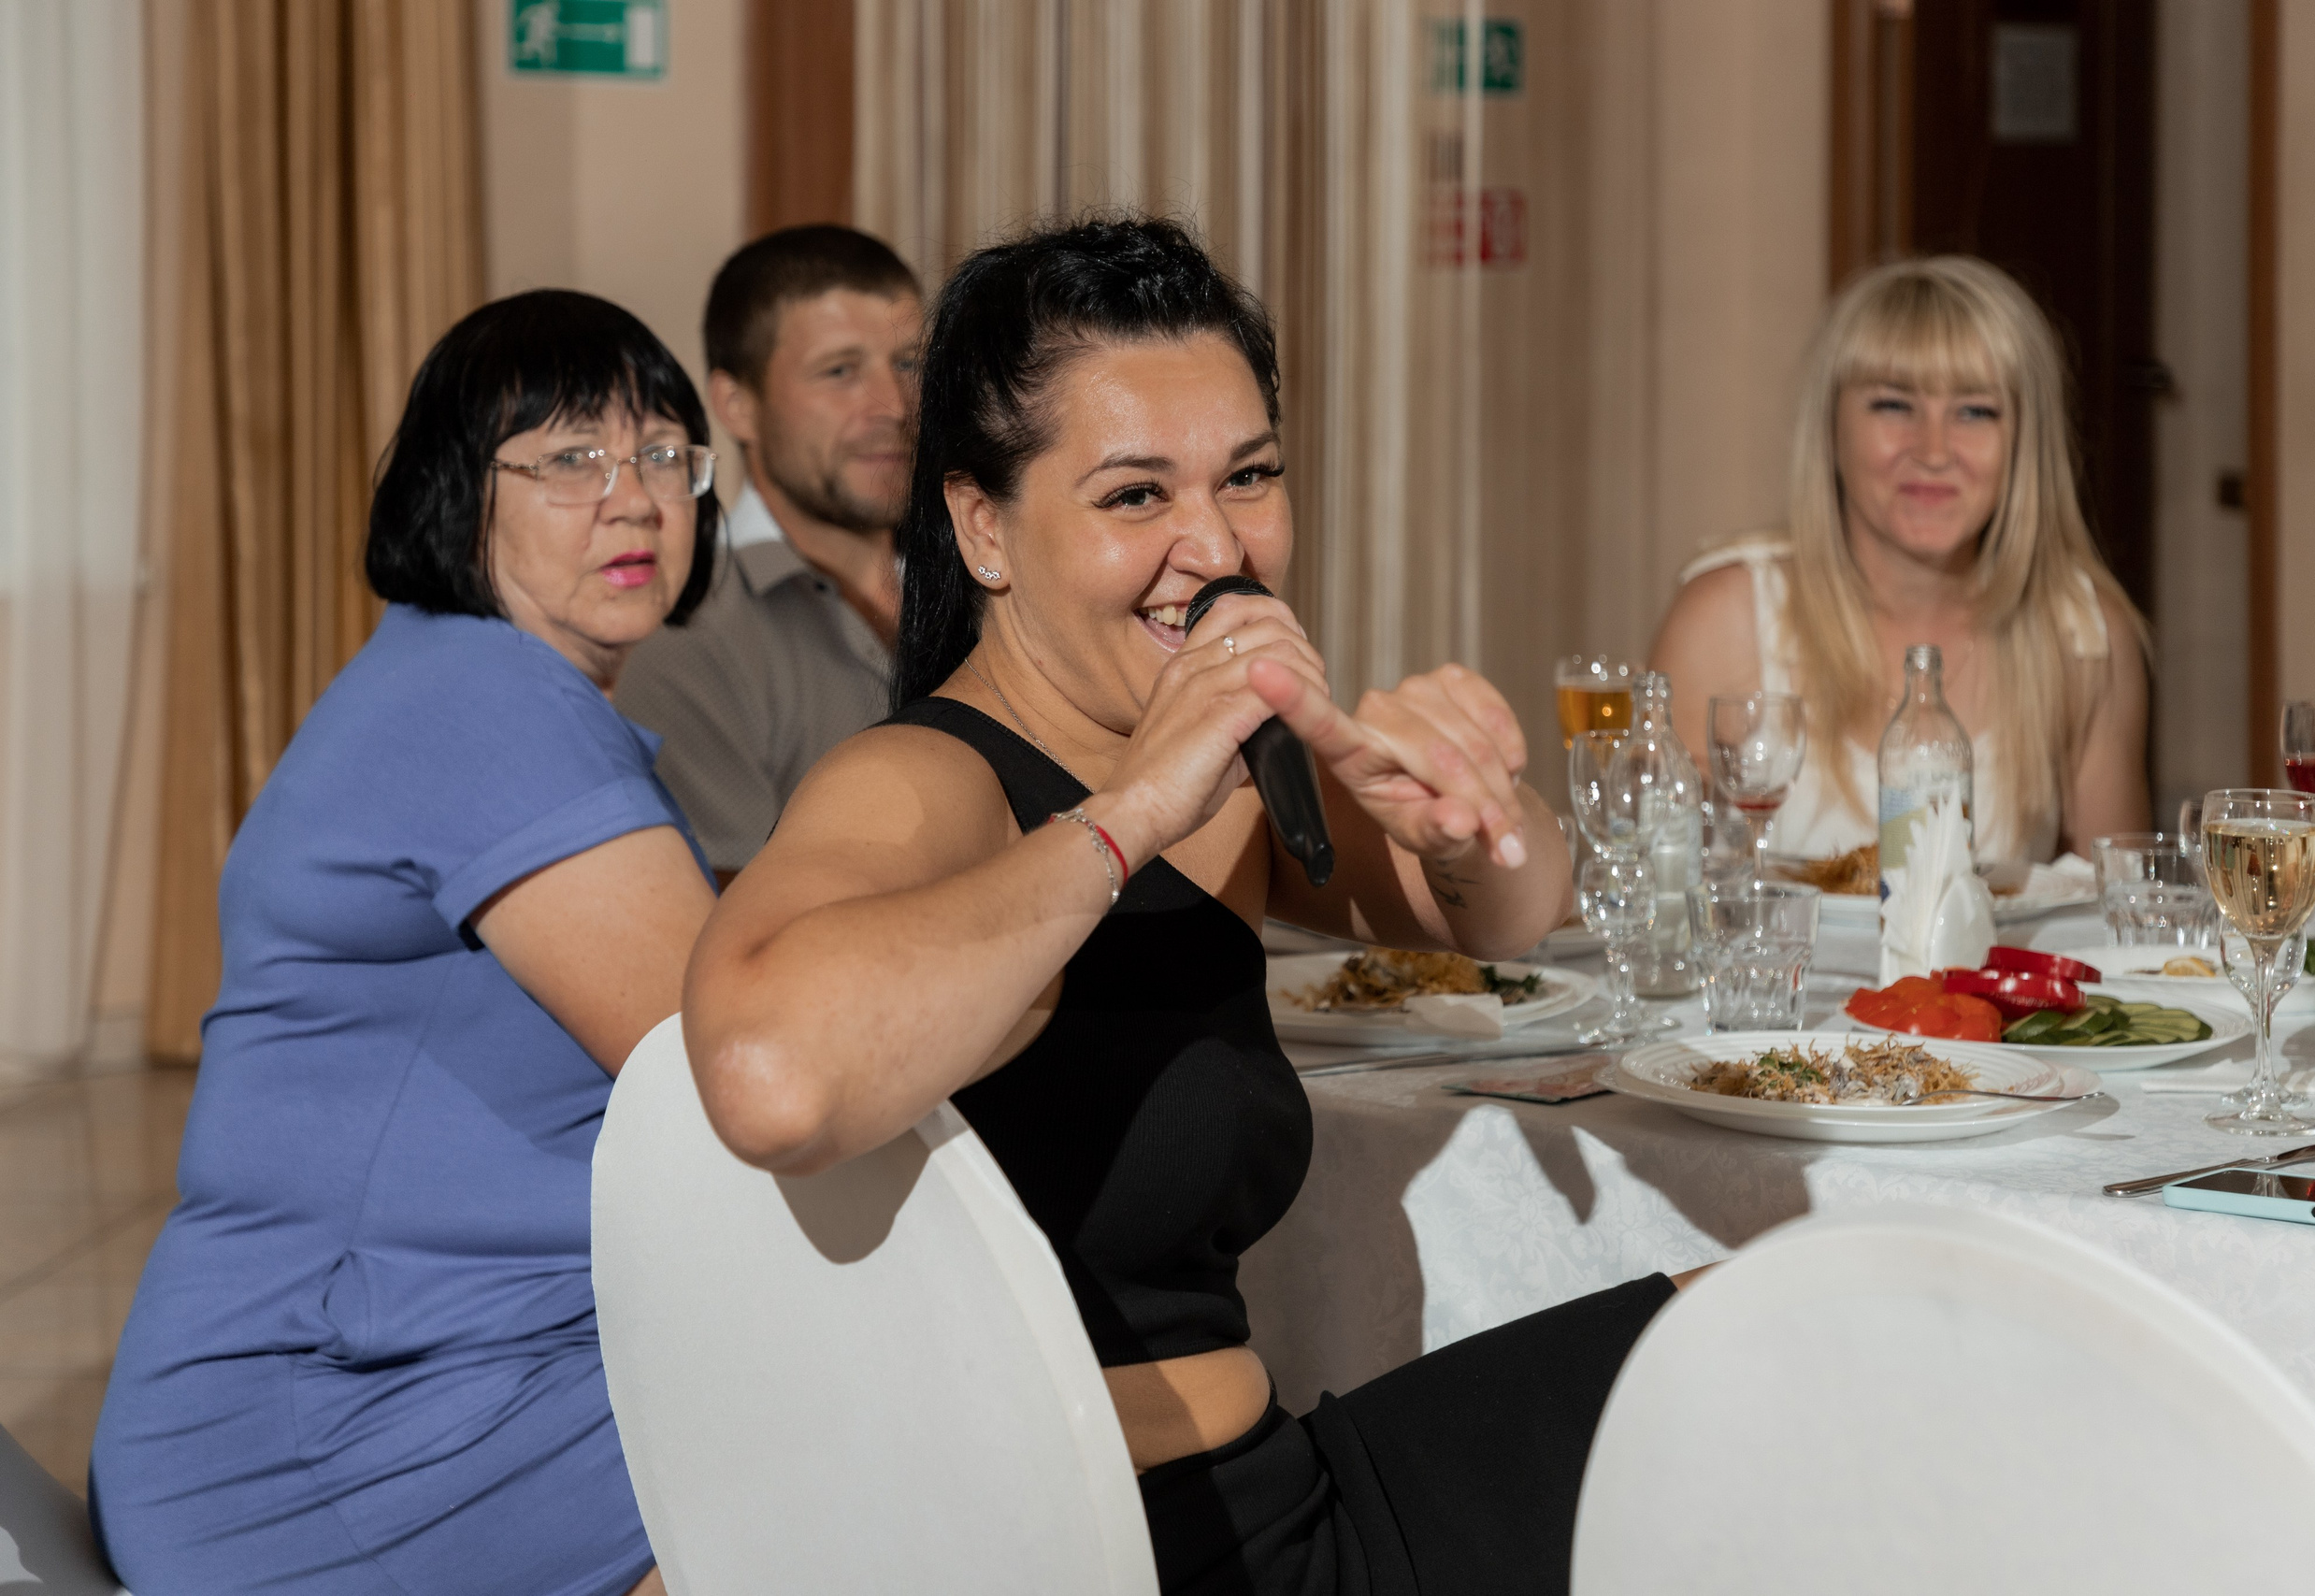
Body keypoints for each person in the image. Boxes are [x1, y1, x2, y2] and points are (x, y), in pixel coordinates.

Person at [680, 216, 1686, 1596]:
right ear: (983, 526)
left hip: (1262, 1502)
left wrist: (1471, 808)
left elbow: (1507, 915)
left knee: (1783, 1330)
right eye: (1135, 496)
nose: (1214, 545)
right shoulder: (928, 777)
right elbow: (768, 1079)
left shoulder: (1226, 769)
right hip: (1114, 1552)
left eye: (1248, 477)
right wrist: (1132, 810)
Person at [91, 291, 722, 1596]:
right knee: (866, 1434)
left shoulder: (473, 682)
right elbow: (734, 1063)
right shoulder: (487, 700)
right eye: (572, 458)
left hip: (426, 1370)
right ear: (460, 492)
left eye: (664, 454)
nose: (635, 500)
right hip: (332, 1434)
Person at [1647, 254, 2151, 867]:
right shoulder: (1726, 616)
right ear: (1831, 428)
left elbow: (2117, 905)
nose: (1934, 451)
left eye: (1975, 411)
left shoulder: (2085, 635)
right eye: (1893, 405)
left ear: (2024, 442)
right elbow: (1654, 885)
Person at [613, 224, 922, 882]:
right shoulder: (688, 635)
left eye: (908, 364)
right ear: (737, 405)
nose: (894, 406)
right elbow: (739, 928)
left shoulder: (990, 576)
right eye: (840, 371)